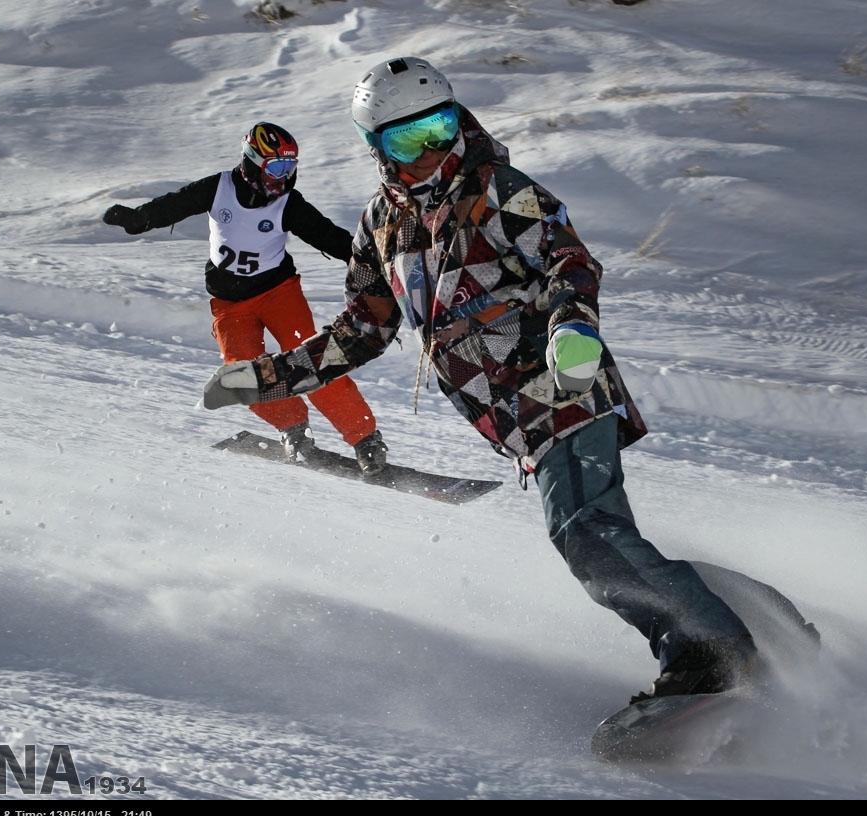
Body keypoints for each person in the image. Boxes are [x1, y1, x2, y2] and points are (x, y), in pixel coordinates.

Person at [202, 60, 757, 699]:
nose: (434, 149)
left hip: (561, 385)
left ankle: (711, 654)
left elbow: (568, 261)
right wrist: (266, 379)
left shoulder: (497, 188)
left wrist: (571, 327)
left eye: (440, 127)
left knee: (584, 533)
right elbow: (363, 330)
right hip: (516, 416)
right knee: (594, 533)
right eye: (409, 140)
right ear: (376, 146)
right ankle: (729, 609)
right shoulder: (382, 225)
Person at [103, 122, 388, 474]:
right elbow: (173, 205)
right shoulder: (218, 188)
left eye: (290, 168)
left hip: (279, 294)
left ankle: (365, 439)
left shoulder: (288, 202)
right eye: (276, 168)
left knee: (316, 360)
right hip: (229, 305)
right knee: (242, 376)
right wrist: (137, 219)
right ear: (253, 162)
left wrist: (372, 262)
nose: (283, 178)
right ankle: (293, 429)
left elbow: (326, 235)